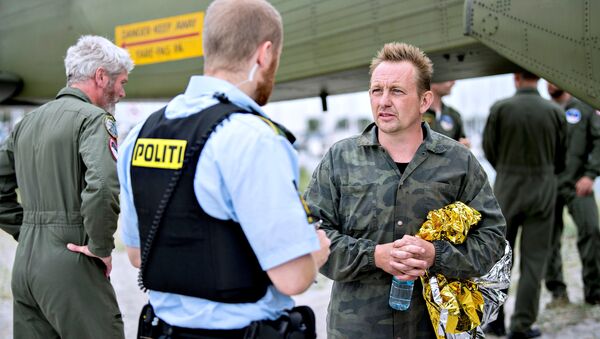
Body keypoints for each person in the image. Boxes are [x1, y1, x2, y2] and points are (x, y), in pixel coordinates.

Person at [117, 0, 331, 338]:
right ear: (265, 53)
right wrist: (315, 254)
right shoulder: (252, 138)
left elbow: (136, 255)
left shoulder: (141, 132)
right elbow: (292, 277)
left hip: (164, 330)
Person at [303, 42, 506, 339]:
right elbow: (312, 237)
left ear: (425, 101)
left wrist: (435, 254)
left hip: (432, 328)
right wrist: (375, 256)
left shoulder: (458, 161)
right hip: (357, 329)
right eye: (376, 90)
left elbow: (492, 239)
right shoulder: (340, 159)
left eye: (397, 91)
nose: (384, 101)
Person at [0, 35, 133, 338]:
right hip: (73, 261)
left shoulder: (27, 123)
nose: (122, 92)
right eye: (121, 82)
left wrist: (28, 230)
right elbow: (101, 185)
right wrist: (100, 247)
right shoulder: (93, 120)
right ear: (101, 76)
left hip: (25, 268)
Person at [482, 71, 567, 339]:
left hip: (507, 189)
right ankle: (522, 324)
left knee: (500, 259)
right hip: (542, 189)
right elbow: (561, 156)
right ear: (539, 79)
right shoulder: (554, 112)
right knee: (534, 260)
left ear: (516, 78)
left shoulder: (501, 109)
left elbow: (489, 148)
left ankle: (494, 320)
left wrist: (507, 170)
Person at [545, 82, 600, 307]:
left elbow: (598, 141)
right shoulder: (543, 110)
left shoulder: (584, 109)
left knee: (592, 230)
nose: (550, 84)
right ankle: (558, 292)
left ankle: (594, 291)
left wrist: (591, 174)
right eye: (545, 80)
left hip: (579, 183)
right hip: (548, 186)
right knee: (548, 240)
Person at [422, 80, 471, 147]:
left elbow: (462, 142)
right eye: (448, 78)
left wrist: (464, 145)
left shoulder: (454, 114)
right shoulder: (416, 113)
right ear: (434, 79)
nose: (454, 82)